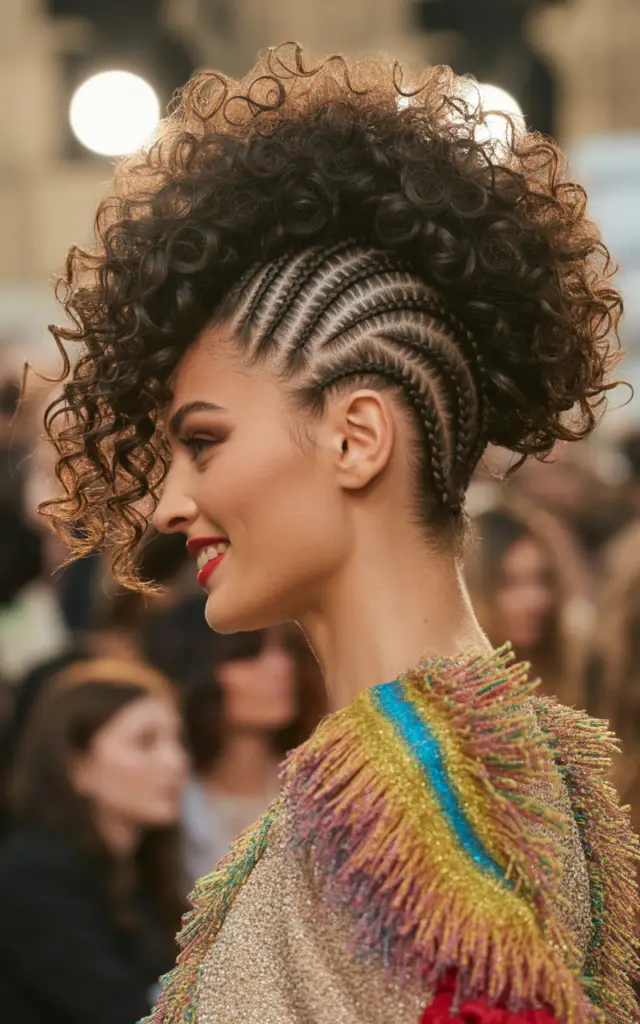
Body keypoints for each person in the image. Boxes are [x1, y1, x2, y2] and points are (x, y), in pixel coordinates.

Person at [39, 43, 637, 1024]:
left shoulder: (427, 805)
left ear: (357, 436)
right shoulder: (477, 773)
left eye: (203, 442)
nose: (168, 505)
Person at [0, 658, 188, 1024]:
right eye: (145, 742)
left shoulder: (138, 865)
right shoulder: (33, 877)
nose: (175, 761)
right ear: (79, 767)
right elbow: (123, 1010)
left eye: (177, 740)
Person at [143, 596, 327, 886]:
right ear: (199, 671)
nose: (281, 666)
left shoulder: (318, 785)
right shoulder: (168, 802)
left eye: (283, 650)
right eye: (248, 655)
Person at [467, 503, 591, 706]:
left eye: (542, 580)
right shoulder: (454, 686)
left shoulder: (576, 669)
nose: (535, 600)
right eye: (509, 583)